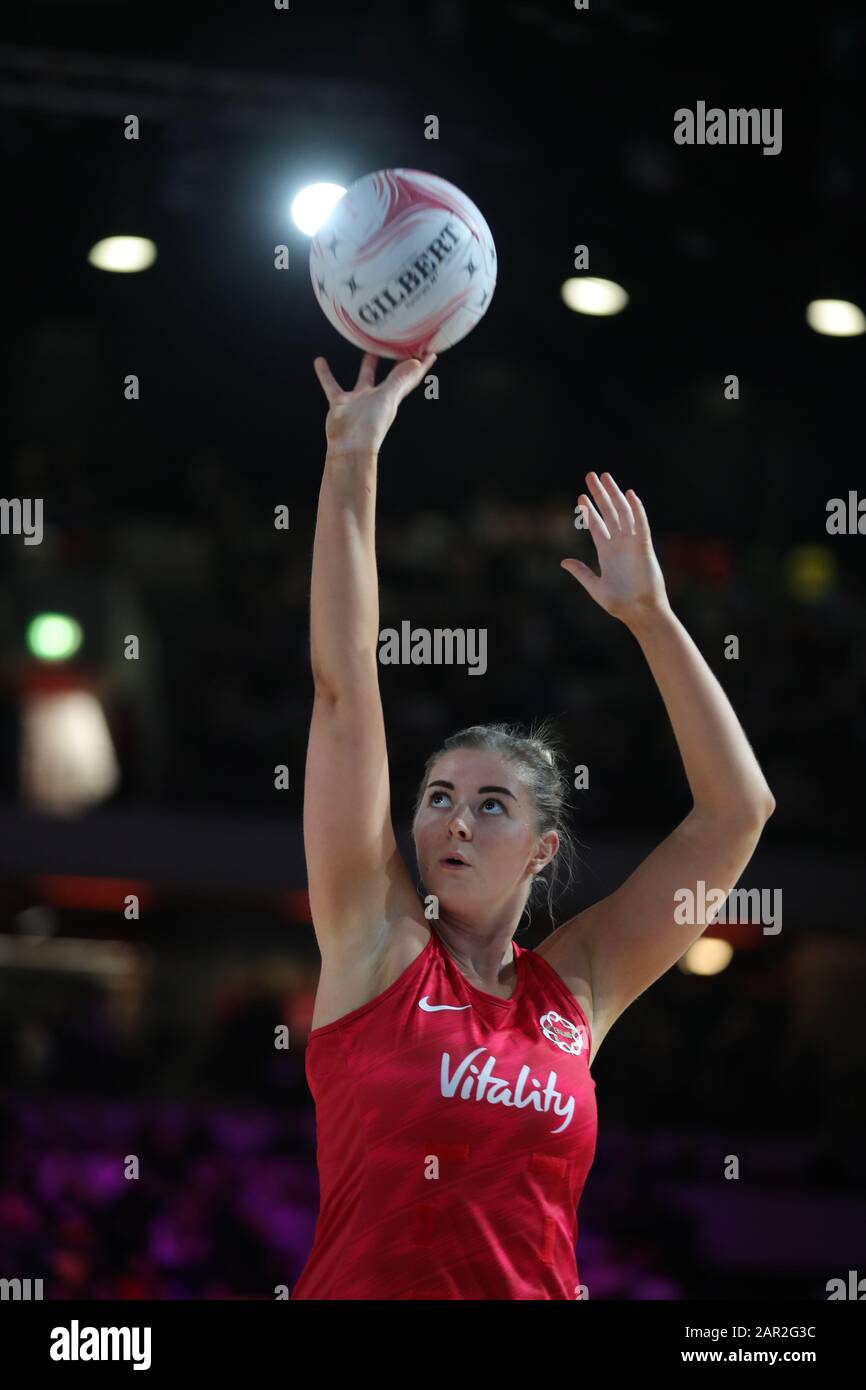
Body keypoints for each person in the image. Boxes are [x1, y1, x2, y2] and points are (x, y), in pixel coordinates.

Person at [290, 351, 775, 1300]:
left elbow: (737, 813)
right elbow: (344, 689)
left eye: (490, 805)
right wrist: (352, 460)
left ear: (543, 850)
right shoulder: (374, 944)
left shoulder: (578, 990)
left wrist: (653, 619)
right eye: (437, 798)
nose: (453, 823)